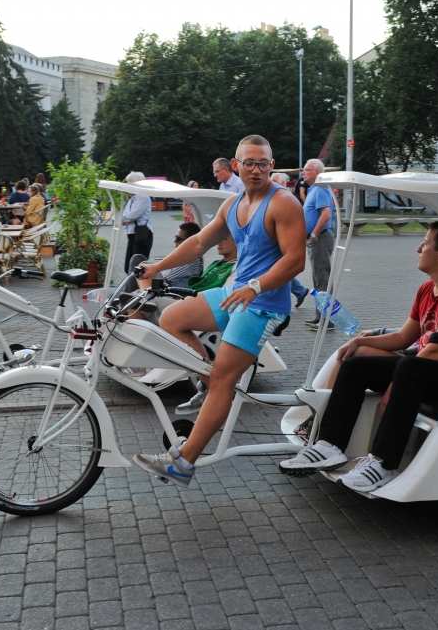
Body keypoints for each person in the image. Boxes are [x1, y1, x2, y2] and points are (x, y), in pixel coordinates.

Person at [133, 135, 306, 487]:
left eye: (262, 163)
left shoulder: (284, 203)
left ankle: (182, 462)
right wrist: (156, 268)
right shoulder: (234, 204)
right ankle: (210, 381)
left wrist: (255, 286)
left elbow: (296, 260)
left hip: (263, 304)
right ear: (236, 165)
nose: (256, 170)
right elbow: (198, 242)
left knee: (225, 380)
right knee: (171, 319)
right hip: (234, 294)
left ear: (272, 165)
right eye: (249, 163)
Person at [279, 221, 438, 492]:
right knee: (356, 366)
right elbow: (404, 338)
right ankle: (329, 445)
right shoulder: (427, 290)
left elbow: (436, 352)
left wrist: (394, 385)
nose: (419, 248)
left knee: (408, 368)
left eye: (425, 242)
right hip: (422, 366)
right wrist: (360, 340)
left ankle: (383, 464)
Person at [301, 159, 336, 329]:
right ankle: (320, 316)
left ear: (317, 172)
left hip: (320, 238)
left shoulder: (320, 189)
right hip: (316, 238)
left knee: (322, 279)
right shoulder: (313, 190)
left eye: (307, 170)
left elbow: (326, 215)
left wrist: (314, 233)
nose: (303, 173)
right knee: (318, 279)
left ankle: (326, 320)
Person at [272, 173, 310, 307]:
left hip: (282, 242)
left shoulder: (286, 200)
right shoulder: (276, 197)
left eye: (274, 180)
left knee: (281, 269)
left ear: (282, 183)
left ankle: (298, 291)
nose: (271, 182)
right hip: (277, 240)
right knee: (278, 268)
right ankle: (300, 291)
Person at [121, 172, 153, 272]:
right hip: (131, 235)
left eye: (129, 183)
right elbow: (124, 215)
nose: (128, 186)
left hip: (141, 235)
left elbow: (134, 214)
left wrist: (127, 218)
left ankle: (139, 287)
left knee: (137, 267)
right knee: (128, 267)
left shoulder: (144, 197)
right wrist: (126, 218)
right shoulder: (132, 199)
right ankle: (132, 286)